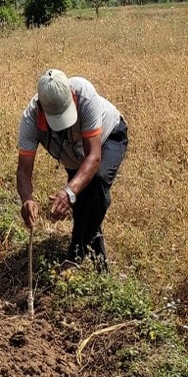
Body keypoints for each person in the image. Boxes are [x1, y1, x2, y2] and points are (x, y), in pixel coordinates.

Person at [17, 69, 128, 268]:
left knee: (98, 185)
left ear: (70, 94)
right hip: (73, 155)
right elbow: (23, 170)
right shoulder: (30, 120)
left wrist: (69, 191)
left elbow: (93, 158)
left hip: (106, 138)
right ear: (41, 108)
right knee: (84, 204)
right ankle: (99, 266)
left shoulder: (84, 94)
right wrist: (27, 198)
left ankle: (75, 255)